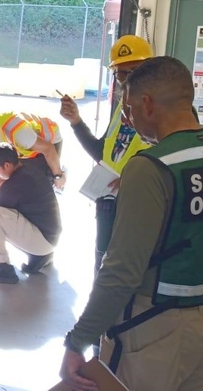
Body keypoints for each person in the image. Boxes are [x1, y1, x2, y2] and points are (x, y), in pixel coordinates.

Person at [60, 56, 203, 391]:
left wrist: (78, 340)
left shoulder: (150, 167)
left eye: (128, 108)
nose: (128, 117)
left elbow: (122, 271)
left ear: (147, 104)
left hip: (151, 331)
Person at [59, 34, 153, 272]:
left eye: (136, 70)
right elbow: (103, 152)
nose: (129, 78)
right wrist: (76, 122)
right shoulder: (123, 107)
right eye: (122, 73)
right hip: (109, 200)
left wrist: (132, 180)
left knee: (128, 269)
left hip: (138, 206)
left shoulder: (161, 111)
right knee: (102, 263)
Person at [0, 143, 61, 284]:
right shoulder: (29, 167)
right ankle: (38, 256)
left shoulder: (15, 184)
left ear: (7, 165)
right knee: (0, 212)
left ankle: (3, 267)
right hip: (50, 235)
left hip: (42, 240)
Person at [0, 111, 66, 189]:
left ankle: (59, 177)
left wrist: (58, 176)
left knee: (47, 178)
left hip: (48, 139)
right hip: (29, 146)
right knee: (15, 174)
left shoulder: (19, 134)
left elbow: (49, 149)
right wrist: (0, 178)